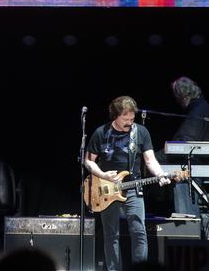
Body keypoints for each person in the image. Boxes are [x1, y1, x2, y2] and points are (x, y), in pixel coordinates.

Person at [84, 96, 171, 271]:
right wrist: (103, 175)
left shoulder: (140, 132)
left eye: (132, 119)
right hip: (106, 189)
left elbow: (150, 160)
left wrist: (160, 174)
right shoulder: (101, 133)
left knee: (139, 232)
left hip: (133, 188)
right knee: (111, 235)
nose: (129, 123)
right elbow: (88, 161)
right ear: (115, 116)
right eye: (126, 119)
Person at [170, 76, 209, 216]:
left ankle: (188, 227)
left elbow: (186, 142)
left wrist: (156, 156)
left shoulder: (199, 110)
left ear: (181, 95)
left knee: (180, 176)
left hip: (196, 165)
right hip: (200, 163)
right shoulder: (202, 107)